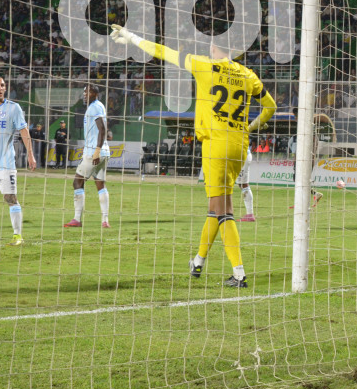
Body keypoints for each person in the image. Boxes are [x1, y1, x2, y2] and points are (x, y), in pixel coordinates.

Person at [110, 24, 277, 288]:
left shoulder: (203, 65)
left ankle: (239, 273)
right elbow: (271, 106)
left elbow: (162, 52)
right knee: (215, 208)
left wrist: (131, 37)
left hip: (215, 145)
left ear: (213, 47)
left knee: (224, 211)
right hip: (239, 145)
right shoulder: (247, 74)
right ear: (234, 50)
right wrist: (253, 126)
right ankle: (198, 261)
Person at [0, 74, 36, 246]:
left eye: (2, 85)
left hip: (5, 162)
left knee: (10, 197)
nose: (0, 88)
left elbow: (24, 131)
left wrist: (31, 155)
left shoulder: (13, 108)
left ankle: (17, 236)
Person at [64, 85, 111, 229]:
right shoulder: (98, 106)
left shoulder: (94, 107)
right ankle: (105, 221)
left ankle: (77, 219)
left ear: (95, 93)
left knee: (77, 182)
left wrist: (96, 150)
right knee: (100, 184)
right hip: (104, 152)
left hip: (94, 152)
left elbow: (102, 129)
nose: (85, 94)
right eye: (84, 91)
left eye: (88, 92)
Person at [235, 145, 255, 222]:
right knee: (242, 184)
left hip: (242, 156)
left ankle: (250, 214)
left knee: (243, 184)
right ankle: (249, 214)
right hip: (242, 156)